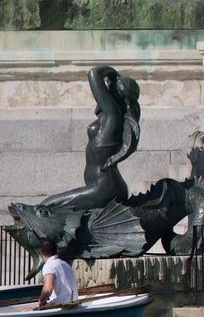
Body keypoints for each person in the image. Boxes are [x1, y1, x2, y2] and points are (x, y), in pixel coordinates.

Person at [39, 65, 140, 212]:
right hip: (101, 186)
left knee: (45, 207)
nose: (103, 91)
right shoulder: (109, 118)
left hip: (104, 189)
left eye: (108, 88)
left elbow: (93, 73)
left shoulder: (113, 116)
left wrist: (113, 73)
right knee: (48, 207)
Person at [36, 239, 78, 309]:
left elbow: (48, 289)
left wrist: (41, 300)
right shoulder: (65, 264)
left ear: (41, 253)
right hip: (74, 304)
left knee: (25, 310)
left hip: (61, 306)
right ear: (56, 251)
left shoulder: (49, 265)